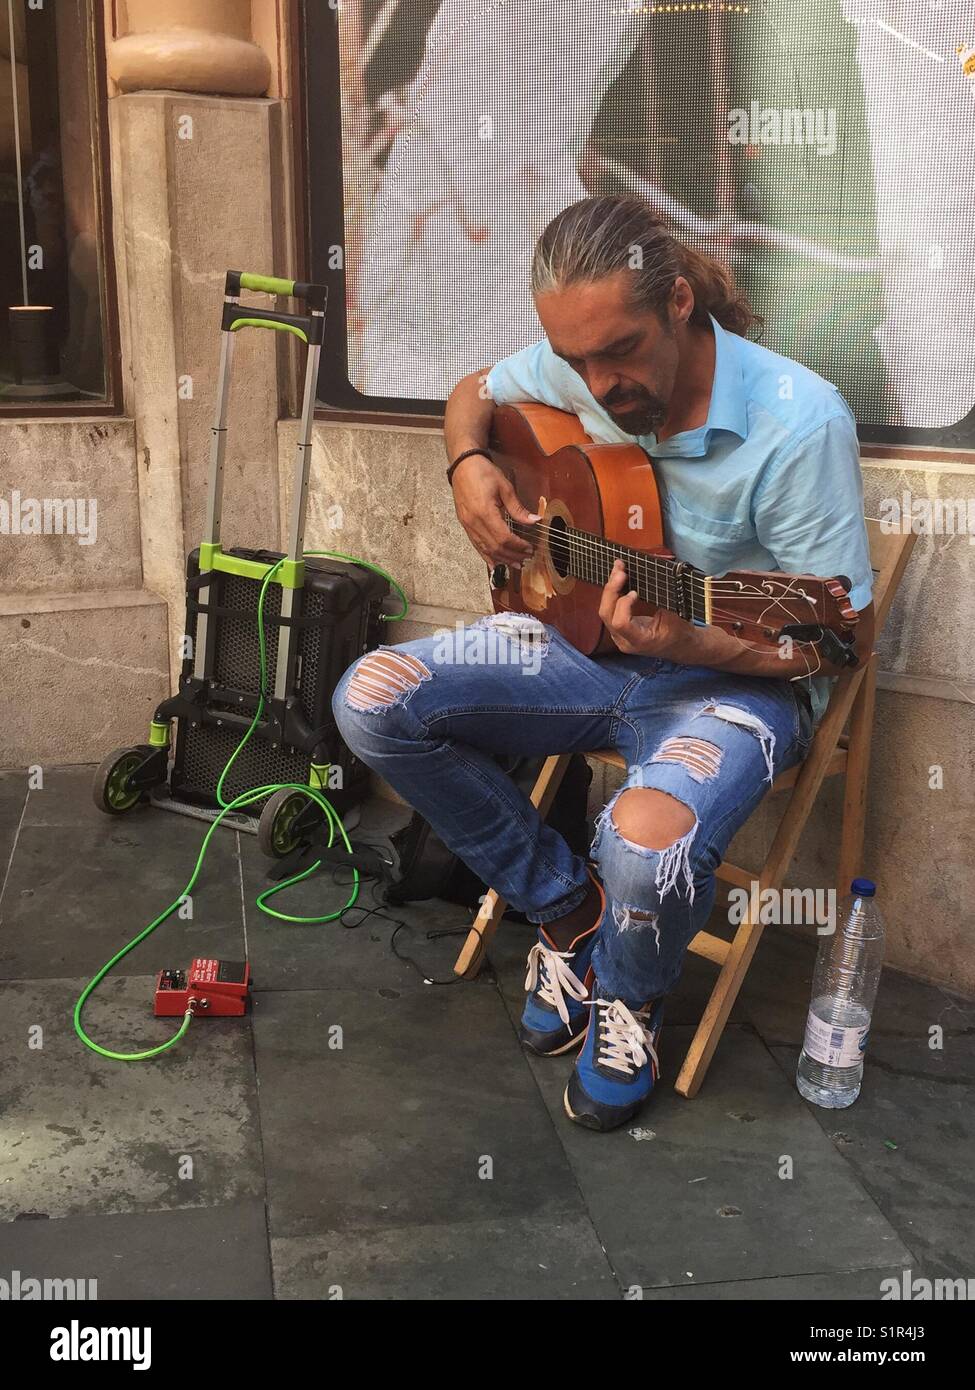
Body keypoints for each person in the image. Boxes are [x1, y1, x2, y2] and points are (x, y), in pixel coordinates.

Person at [333, 196, 875, 1132]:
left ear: (674, 301)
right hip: (581, 646)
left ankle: (628, 996)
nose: (595, 382)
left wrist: (689, 640)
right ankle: (564, 908)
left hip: (735, 681)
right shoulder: (578, 361)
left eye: (616, 352)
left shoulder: (798, 424)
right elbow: (476, 388)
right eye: (575, 360)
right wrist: (467, 461)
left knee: (646, 842)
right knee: (371, 698)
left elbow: (829, 644)